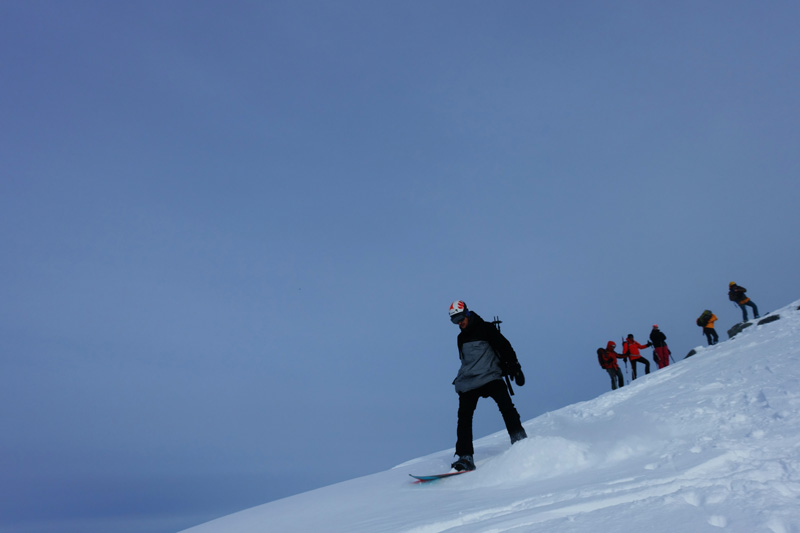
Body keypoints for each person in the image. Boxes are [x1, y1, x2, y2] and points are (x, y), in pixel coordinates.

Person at [448, 300, 527, 472]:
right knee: (464, 416)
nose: (459, 323)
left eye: (460, 318)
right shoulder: (460, 338)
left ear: (467, 313)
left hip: (490, 376)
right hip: (469, 381)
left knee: (507, 407)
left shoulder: (486, 329)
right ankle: (465, 456)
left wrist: (515, 368)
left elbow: (505, 347)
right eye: (455, 321)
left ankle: (520, 441)